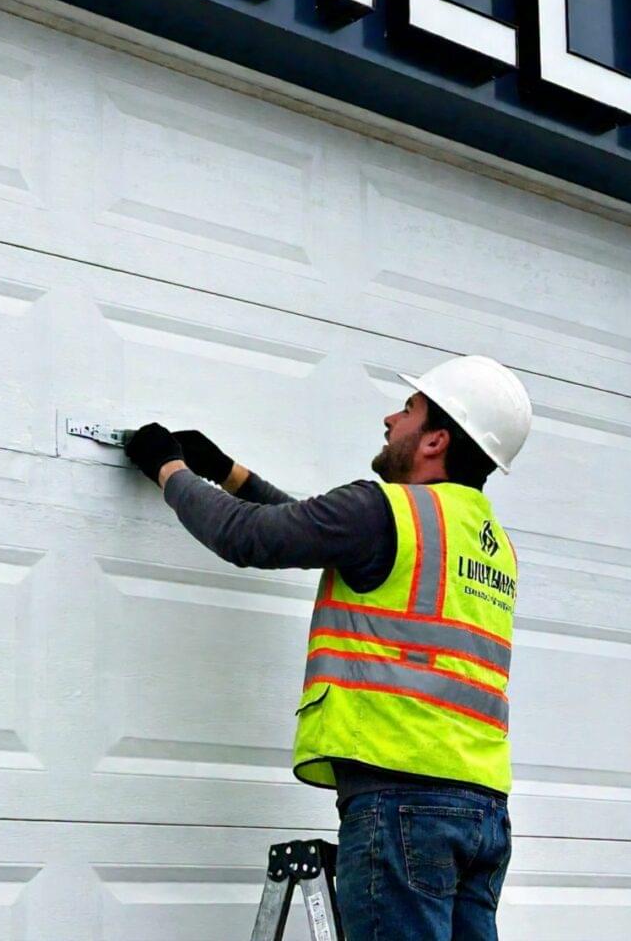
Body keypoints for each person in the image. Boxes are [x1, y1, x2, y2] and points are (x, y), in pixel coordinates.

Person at [124, 354, 533, 941]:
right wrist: (227, 473)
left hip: (401, 803)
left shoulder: (384, 510)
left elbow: (249, 537)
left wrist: (169, 470)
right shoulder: (488, 542)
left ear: (435, 441)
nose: (391, 419)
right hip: (482, 812)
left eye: (410, 410)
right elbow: (313, 526)